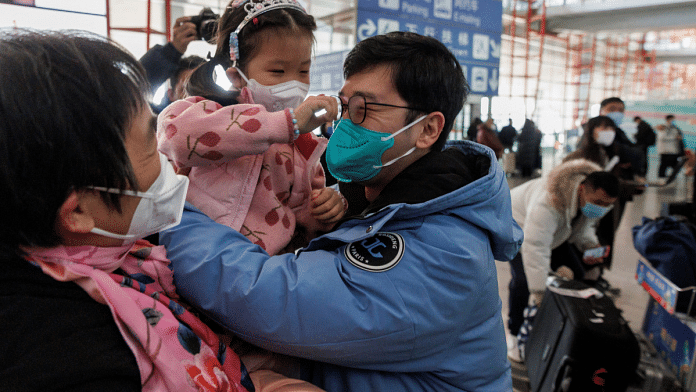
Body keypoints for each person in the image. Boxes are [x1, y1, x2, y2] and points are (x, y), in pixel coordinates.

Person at [160, 31, 523, 391]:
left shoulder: (446, 251)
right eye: (345, 107)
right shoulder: (371, 204)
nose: (346, 125)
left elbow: (272, 300)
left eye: (364, 109)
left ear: (428, 129)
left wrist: (172, 208)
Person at [0, 29, 328, 392]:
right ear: (77, 214)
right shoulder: (73, 359)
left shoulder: (125, 256)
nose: (167, 162)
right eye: (147, 143)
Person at [157, 0, 345, 256]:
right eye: (278, 71)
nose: (294, 83)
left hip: (258, 268)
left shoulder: (302, 147)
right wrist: (285, 124)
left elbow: (301, 218)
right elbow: (176, 139)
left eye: (303, 70)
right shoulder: (210, 112)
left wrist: (325, 210)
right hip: (191, 251)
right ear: (236, 75)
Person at [506, 161, 619, 362]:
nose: (602, 208)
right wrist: (539, 291)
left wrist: (591, 246)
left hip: (552, 234)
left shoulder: (587, 199)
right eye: (599, 203)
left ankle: (554, 322)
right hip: (517, 227)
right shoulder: (549, 201)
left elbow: (582, 230)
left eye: (607, 205)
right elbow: (535, 246)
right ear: (582, 189)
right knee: (524, 283)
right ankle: (515, 334)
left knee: (577, 273)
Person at [139, 15, 198, 111]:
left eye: (201, 88)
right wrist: (171, 51)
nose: (195, 98)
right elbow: (131, 93)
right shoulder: (157, 123)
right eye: (185, 90)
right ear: (171, 94)